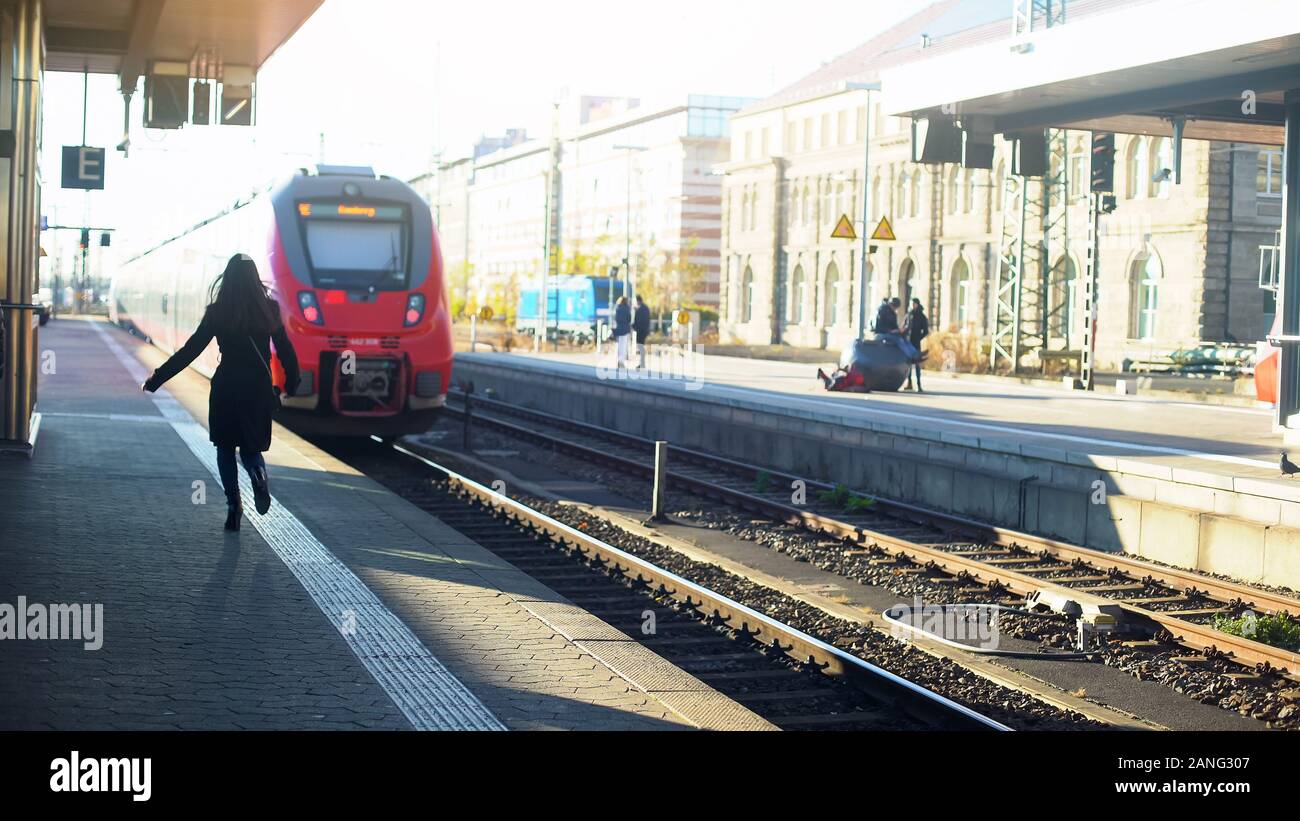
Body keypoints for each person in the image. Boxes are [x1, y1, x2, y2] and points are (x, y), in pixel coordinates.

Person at [142, 254, 300, 532]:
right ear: (254, 280)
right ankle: (258, 474)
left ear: (227, 280)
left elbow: (191, 350)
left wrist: (158, 378)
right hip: (258, 390)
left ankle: (233, 506)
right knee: (251, 448)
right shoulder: (269, 310)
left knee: (225, 448)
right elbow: (285, 349)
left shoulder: (218, 312)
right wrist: (293, 382)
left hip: (227, 387)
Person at [873, 296, 921, 362]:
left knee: (904, 339)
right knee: (899, 340)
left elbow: (894, 326)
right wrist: (890, 331)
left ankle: (915, 353)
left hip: (889, 333)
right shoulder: (882, 311)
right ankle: (910, 356)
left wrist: (899, 330)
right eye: (894, 307)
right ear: (891, 304)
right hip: (881, 333)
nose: (895, 309)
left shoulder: (893, 314)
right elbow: (879, 326)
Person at [903, 298, 930, 392]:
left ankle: (919, 384)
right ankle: (909, 382)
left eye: (914, 304)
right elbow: (904, 327)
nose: (912, 305)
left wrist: (919, 337)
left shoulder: (921, 316)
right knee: (909, 362)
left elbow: (926, 331)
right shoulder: (908, 315)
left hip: (916, 342)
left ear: (917, 304)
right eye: (911, 304)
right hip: (908, 342)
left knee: (917, 363)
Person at [612, 296, 632, 368]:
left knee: (619, 345)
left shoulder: (617, 308)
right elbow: (629, 319)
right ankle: (621, 362)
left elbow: (615, 319)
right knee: (623, 346)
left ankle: (618, 360)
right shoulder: (627, 309)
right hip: (625, 329)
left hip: (618, 329)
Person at [633, 296, 651, 369]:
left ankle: (642, 364)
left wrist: (634, 327)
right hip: (645, 330)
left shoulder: (639, 309)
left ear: (638, 301)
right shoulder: (646, 308)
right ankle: (642, 363)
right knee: (641, 347)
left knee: (640, 347)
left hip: (640, 330)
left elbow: (638, 320)